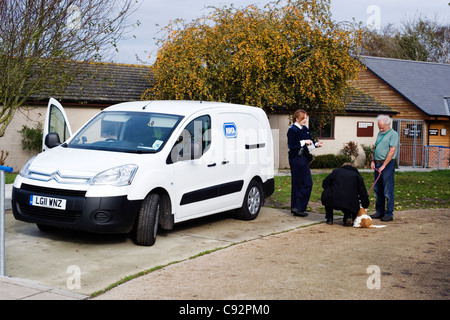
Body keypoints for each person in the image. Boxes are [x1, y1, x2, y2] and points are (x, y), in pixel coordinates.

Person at [287, 109, 323, 217]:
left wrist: (316, 144)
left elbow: (310, 142)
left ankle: (298, 207)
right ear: (297, 118)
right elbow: (291, 145)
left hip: (304, 159)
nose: (305, 120)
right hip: (297, 159)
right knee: (299, 184)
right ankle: (297, 208)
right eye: (303, 118)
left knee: (307, 183)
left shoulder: (305, 129)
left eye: (306, 118)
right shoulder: (292, 130)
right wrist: (303, 142)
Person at [370, 114, 399, 222]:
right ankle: (379, 211)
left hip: (387, 165)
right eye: (379, 127)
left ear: (388, 125)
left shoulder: (393, 134)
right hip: (377, 163)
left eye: (382, 127)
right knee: (378, 189)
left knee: (387, 189)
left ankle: (389, 213)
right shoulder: (379, 133)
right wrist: (373, 160)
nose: (380, 129)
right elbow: (376, 147)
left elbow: (392, 151)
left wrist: (384, 165)